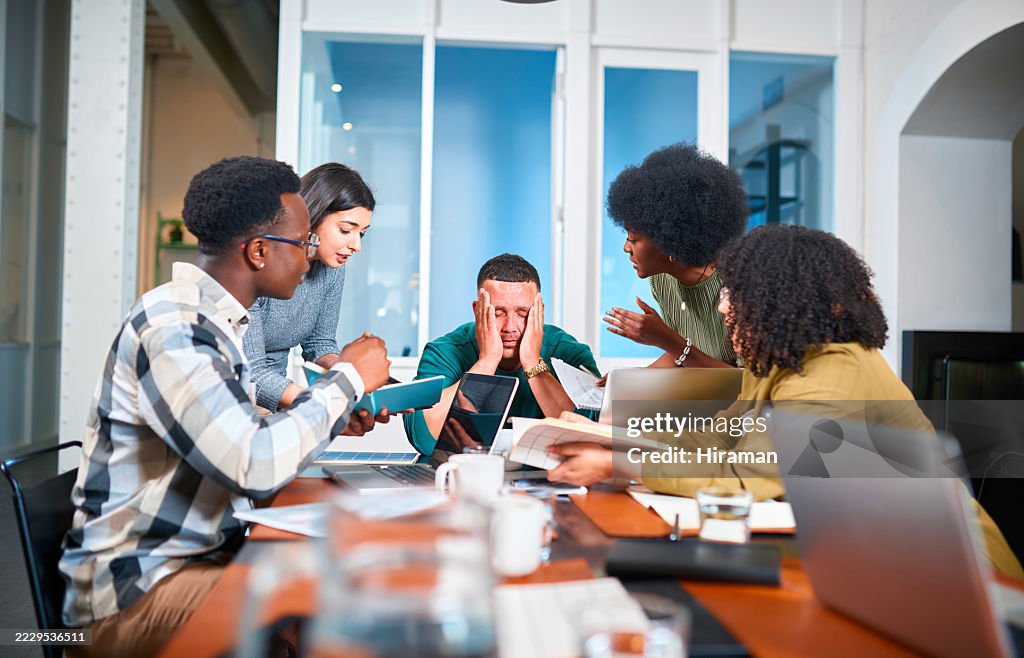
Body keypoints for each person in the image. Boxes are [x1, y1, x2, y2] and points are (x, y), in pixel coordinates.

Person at [547, 224, 1023, 578]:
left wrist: (618, 463)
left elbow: (746, 472)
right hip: (872, 560)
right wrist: (611, 436)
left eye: (735, 293)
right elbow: (722, 437)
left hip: (958, 574)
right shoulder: (775, 362)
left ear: (781, 299)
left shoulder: (836, 369)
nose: (721, 305)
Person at [58, 156, 392, 657]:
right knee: (340, 609)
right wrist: (347, 378)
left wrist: (328, 414)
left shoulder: (217, 324)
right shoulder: (176, 327)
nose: (310, 260)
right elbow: (252, 464)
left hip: (198, 558)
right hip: (134, 593)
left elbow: (239, 437)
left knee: (348, 572)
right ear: (259, 251)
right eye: (303, 244)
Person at [403, 254, 599, 456]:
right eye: (498, 313)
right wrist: (486, 361)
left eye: (522, 313)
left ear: (539, 311)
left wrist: (533, 363)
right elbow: (424, 438)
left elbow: (593, 435)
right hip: (464, 476)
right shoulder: (444, 351)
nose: (510, 327)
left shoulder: (567, 351)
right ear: (478, 310)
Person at [243, 163, 384, 436]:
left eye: (362, 233)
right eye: (346, 230)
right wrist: (327, 402)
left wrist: (359, 374)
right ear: (312, 216)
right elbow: (253, 374)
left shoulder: (332, 270)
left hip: (275, 403)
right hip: (236, 403)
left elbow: (319, 344)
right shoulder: (261, 267)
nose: (357, 245)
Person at [603, 142, 747, 369]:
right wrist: (627, 382)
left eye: (633, 239)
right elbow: (683, 355)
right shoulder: (662, 280)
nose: (626, 248)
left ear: (667, 239)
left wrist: (665, 338)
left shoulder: (738, 286)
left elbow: (747, 386)